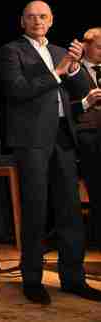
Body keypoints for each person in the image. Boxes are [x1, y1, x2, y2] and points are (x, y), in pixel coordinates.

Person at [0, 0, 101, 304]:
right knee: (35, 208)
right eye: (31, 17)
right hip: (31, 139)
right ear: (22, 21)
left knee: (70, 209)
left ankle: (73, 278)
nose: (37, 21)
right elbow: (17, 90)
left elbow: (79, 90)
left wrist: (75, 66)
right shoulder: (11, 51)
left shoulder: (59, 51)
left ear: (52, 20)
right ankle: (32, 280)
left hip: (63, 136)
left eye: (43, 16)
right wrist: (57, 71)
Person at [71, 27, 101, 239]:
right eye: (99, 47)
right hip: (89, 136)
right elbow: (63, 108)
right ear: (85, 46)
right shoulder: (73, 70)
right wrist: (85, 102)